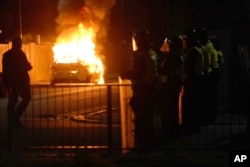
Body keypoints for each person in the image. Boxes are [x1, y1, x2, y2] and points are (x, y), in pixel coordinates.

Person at [120, 29, 158, 149]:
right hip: (152, 89)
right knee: (148, 118)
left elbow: (137, 74)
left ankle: (141, 145)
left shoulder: (141, 56)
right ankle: (149, 143)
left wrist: (125, 74)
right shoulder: (152, 53)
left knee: (141, 120)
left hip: (143, 91)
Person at [2, 37, 33, 128]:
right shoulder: (20, 54)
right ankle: (15, 118)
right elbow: (26, 66)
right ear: (18, 44)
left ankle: (10, 120)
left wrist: (7, 82)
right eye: (20, 43)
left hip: (10, 82)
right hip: (20, 82)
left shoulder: (6, 54)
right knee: (26, 98)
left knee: (12, 101)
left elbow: (6, 69)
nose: (21, 45)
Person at [157, 36, 184, 139]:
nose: (167, 46)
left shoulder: (174, 56)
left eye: (169, 44)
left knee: (169, 108)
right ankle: (172, 129)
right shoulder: (176, 55)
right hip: (174, 83)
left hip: (172, 84)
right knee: (172, 107)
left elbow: (164, 70)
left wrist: (157, 68)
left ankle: (170, 131)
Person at [182, 28, 204, 134]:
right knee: (195, 103)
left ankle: (192, 126)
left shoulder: (193, 51)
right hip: (196, 79)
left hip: (193, 80)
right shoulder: (196, 49)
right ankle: (194, 126)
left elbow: (188, 66)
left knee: (191, 104)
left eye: (186, 39)